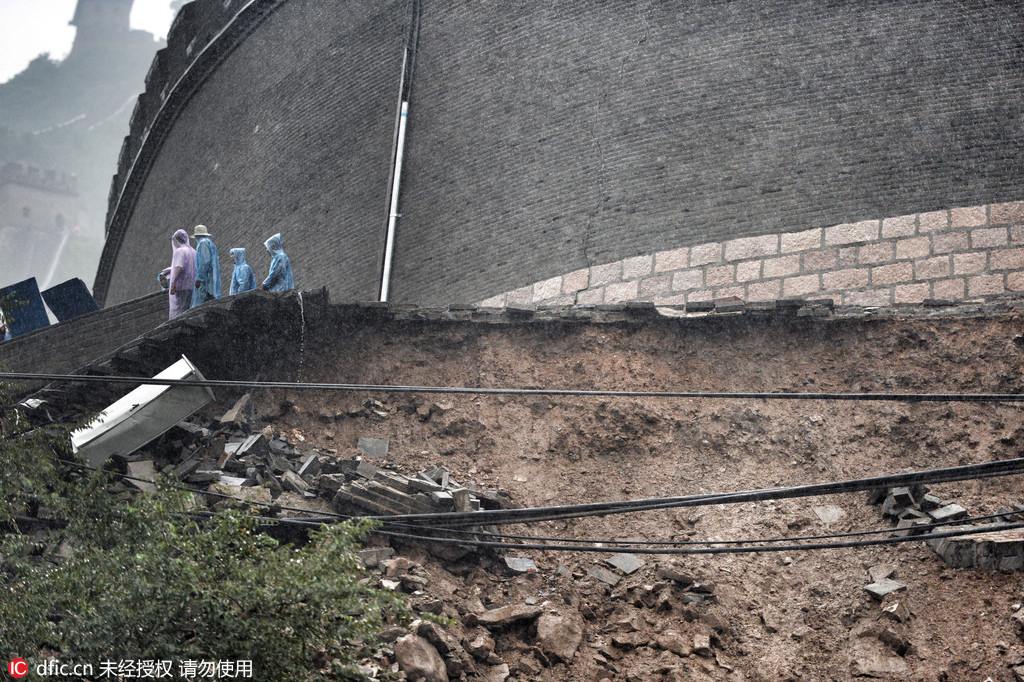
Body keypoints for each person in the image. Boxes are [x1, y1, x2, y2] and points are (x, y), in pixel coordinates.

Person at [159, 229, 196, 319]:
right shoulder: (194, 252)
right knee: (189, 309)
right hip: (192, 286)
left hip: (181, 287)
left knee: (180, 312)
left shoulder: (179, 251)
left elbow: (179, 267)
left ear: (177, 240)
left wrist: (172, 284)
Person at [191, 224, 221, 308]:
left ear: (197, 236)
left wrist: (199, 278)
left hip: (205, 280)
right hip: (211, 278)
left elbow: (205, 262)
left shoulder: (202, 243)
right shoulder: (210, 243)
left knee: (201, 303)